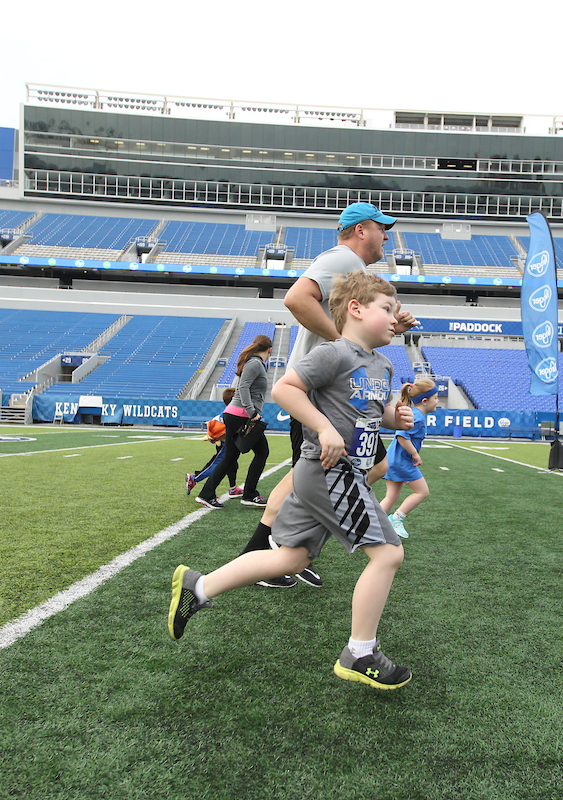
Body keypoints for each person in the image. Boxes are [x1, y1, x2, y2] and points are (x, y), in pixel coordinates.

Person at [167, 271, 415, 690]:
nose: (396, 317)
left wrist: (395, 416)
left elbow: (370, 413)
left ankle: (199, 586)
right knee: (388, 555)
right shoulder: (335, 353)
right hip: (330, 471)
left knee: (291, 559)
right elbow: (286, 390)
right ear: (355, 309)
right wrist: (325, 428)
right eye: (386, 308)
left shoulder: (383, 363)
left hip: (334, 475)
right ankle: (359, 652)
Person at [236, 202, 418, 589]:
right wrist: (347, 349)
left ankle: (282, 552)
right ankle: (267, 553)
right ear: (360, 231)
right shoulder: (343, 258)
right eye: (380, 227)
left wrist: (376, 333)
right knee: (313, 475)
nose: (387, 235)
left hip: (331, 391)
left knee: (331, 473)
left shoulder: (354, 269)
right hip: (322, 392)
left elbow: (348, 326)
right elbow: (296, 298)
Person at [195, 335, 273, 510]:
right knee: (262, 452)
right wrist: (252, 412)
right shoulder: (255, 363)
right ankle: (250, 494)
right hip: (241, 415)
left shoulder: (254, 362)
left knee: (230, 456)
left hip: (236, 413)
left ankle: (206, 494)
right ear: (269, 349)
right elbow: (243, 387)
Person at [380, 377, 442, 538]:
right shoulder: (418, 416)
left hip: (393, 460)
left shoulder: (414, 413)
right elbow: (401, 435)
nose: (438, 401)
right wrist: (415, 454)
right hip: (402, 462)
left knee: (391, 496)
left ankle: (372, 525)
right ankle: (397, 518)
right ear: (425, 400)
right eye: (436, 398)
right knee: (422, 492)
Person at [185, 388, 242, 498]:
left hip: (226, 442)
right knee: (218, 465)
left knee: (232, 465)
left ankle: (233, 488)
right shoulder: (231, 413)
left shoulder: (229, 411)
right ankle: (194, 478)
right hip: (225, 444)